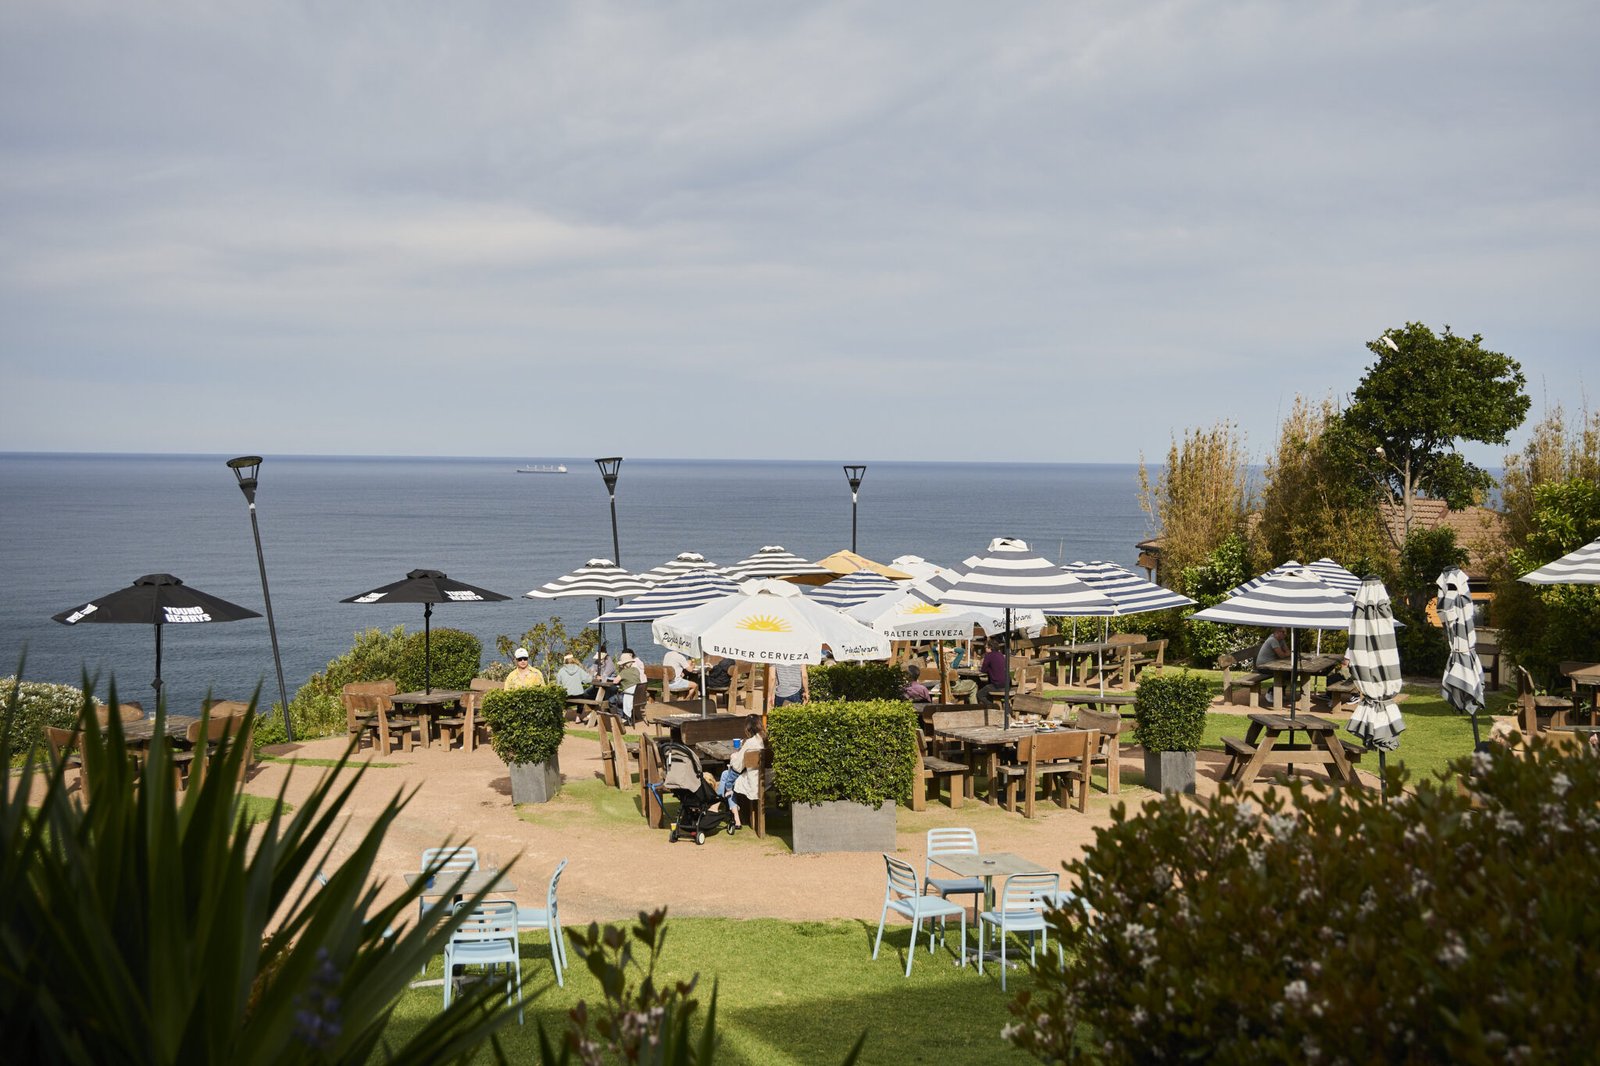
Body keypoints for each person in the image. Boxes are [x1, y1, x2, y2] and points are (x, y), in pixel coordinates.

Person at [715, 717, 765, 833]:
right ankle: (719, 806)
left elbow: (737, 766)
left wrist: (734, 757)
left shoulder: (750, 742)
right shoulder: (764, 739)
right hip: (765, 778)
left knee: (726, 776)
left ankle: (723, 809)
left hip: (753, 780)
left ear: (748, 728)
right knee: (726, 775)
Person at [1256, 628, 1293, 708]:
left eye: (1285, 632)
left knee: (1290, 673)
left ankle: (1281, 692)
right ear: (1277, 632)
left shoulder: (1281, 640)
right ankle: (1270, 692)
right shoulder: (1272, 640)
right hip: (1263, 666)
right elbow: (1282, 655)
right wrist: (1286, 653)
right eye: (1283, 632)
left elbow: (1287, 651)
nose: (1285, 634)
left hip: (1272, 665)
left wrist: (1286, 653)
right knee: (1284, 674)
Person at [614, 648, 646, 721]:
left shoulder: (624, 672)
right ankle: (626, 716)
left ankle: (621, 717)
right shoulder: (636, 670)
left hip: (630, 695)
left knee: (613, 699)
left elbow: (615, 681)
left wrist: (620, 671)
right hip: (638, 696)